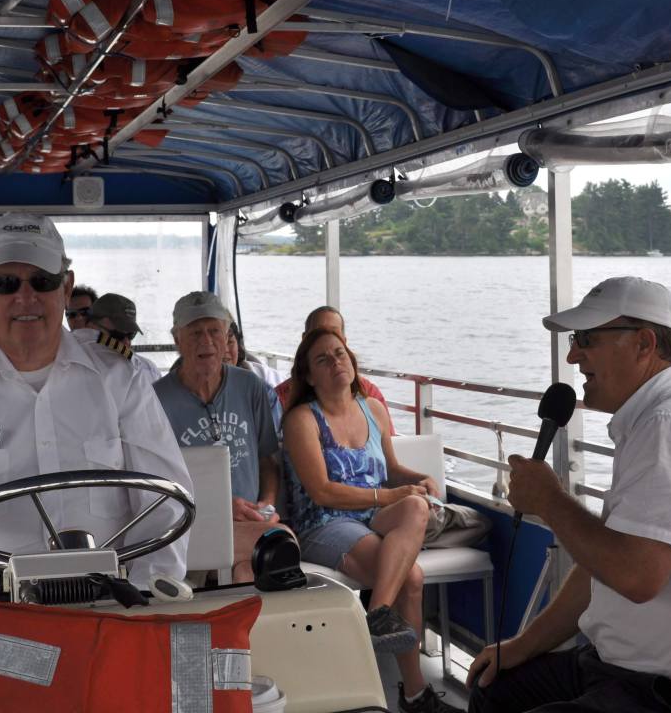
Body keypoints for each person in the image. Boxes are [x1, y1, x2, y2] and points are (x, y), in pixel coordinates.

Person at [0, 213, 192, 593]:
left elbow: (162, 497)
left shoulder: (121, 376)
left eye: (43, 280)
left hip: (102, 592)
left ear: (66, 287)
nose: (26, 297)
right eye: (6, 283)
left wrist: (148, 592)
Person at [468, 276, 671, 713]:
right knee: (493, 688)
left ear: (644, 343)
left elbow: (636, 576)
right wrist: (523, 645)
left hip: (668, 691)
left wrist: (549, 500)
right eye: (576, 340)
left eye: (587, 339)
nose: (573, 355)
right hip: (613, 666)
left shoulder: (669, 427)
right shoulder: (646, 423)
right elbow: (603, 566)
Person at [283, 327, 462, 713]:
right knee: (411, 577)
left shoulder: (373, 409)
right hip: (325, 521)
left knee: (416, 507)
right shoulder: (302, 420)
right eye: (323, 359)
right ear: (310, 376)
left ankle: (376, 611)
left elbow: (391, 469)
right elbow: (321, 491)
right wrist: (390, 495)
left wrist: (416, 480)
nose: (335, 363)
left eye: (340, 353)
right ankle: (416, 694)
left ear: (352, 360)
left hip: (372, 515)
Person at [153, 291, 286, 583]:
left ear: (227, 336)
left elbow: (267, 460)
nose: (206, 341)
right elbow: (156, 485)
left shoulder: (250, 387)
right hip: (191, 526)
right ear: (177, 340)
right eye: (195, 332)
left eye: (214, 331)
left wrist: (267, 503)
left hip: (249, 523)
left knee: (248, 568)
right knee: (279, 541)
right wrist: (220, 507)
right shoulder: (156, 399)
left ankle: (236, 627)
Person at [275, 305, 396, 434]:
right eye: (317, 333)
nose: (326, 339)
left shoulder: (370, 395)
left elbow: (391, 445)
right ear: (304, 340)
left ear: (344, 343)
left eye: (334, 334)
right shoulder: (279, 399)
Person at [86, 292, 161, 383]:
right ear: (91, 328)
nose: (126, 342)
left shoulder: (149, 372)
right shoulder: (71, 367)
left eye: (131, 335)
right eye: (118, 335)